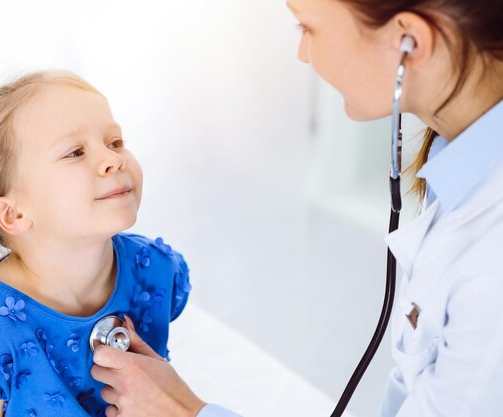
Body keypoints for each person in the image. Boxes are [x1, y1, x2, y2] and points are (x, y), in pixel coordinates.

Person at [90, 0, 503, 416]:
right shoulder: (464, 176)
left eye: (307, 28)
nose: (303, 53)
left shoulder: (491, 267)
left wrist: (184, 411)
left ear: (408, 41)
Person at [0, 70, 193, 417]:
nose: (113, 159)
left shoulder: (156, 269)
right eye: (75, 152)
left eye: (115, 142)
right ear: (12, 214)